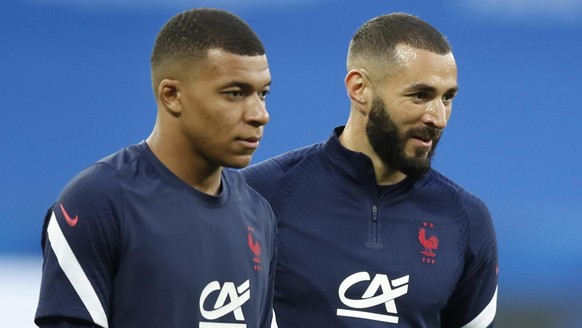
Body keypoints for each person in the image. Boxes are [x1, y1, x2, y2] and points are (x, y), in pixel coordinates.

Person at [242, 13, 498, 328]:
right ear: (360, 89)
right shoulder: (257, 197)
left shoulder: (467, 220)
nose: (438, 117)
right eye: (420, 95)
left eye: (447, 98)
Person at [35, 8, 276, 328]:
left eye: (263, 94)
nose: (260, 114)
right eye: (235, 93)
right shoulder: (97, 203)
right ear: (172, 95)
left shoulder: (259, 215)